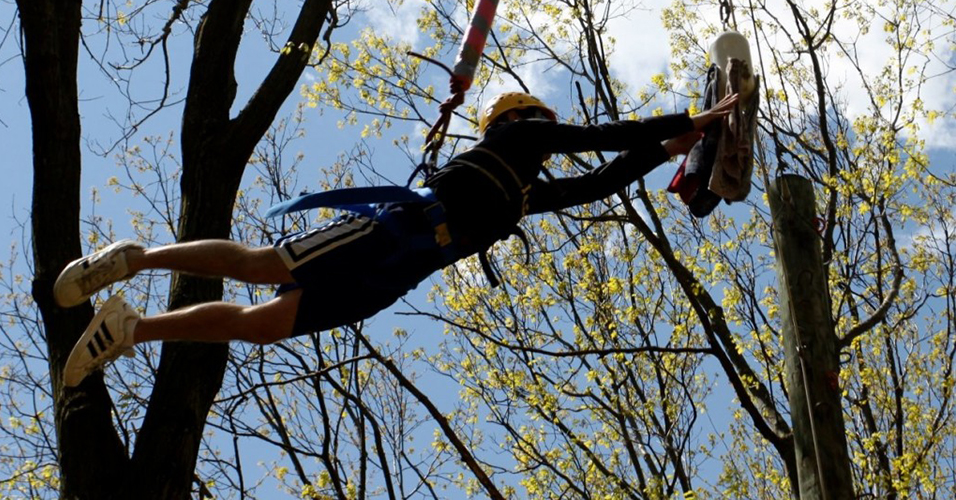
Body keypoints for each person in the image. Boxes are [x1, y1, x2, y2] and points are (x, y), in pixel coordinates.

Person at [56, 91, 739, 387]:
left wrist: (667, 147)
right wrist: (682, 119)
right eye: (542, 120)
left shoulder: (525, 194)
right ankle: (135, 258)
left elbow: (596, 181)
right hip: (391, 229)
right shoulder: (515, 138)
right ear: (524, 118)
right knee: (264, 266)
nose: (547, 128)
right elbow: (592, 140)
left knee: (261, 326)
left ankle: (132, 329)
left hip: (396, 273)